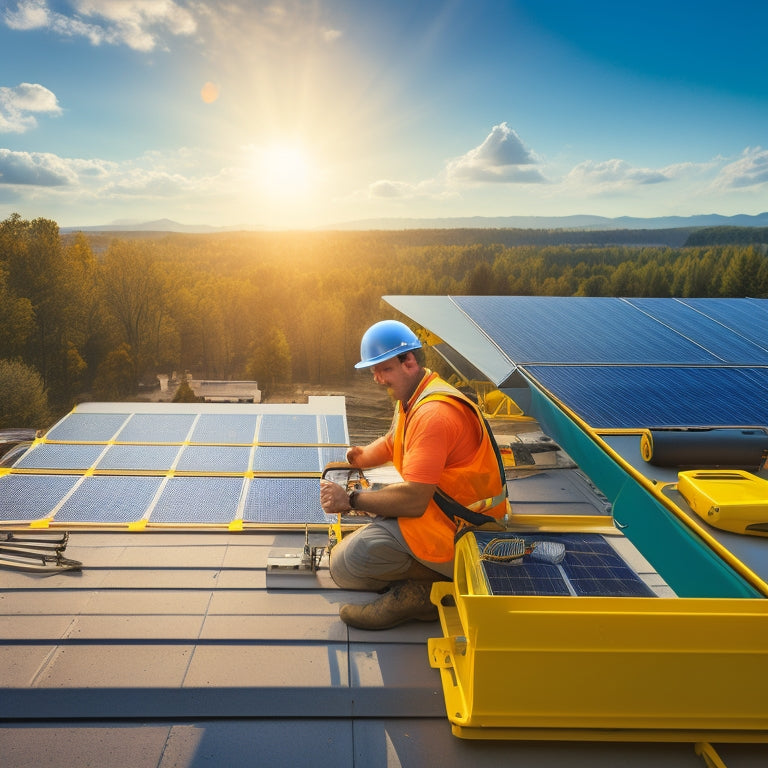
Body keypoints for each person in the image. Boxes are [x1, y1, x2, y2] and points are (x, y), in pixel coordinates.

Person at [319, 319, 508, 630]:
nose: (377, 379)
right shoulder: (417, 395)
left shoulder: (433, 415)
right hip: (443, 515)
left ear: (408, 361)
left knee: (345, 566)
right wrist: (363, 456)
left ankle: (427, 593)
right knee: (349, 554)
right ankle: (424, 580)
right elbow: (397, 440)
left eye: (383, 369)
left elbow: (413, 500)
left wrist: (349, 499)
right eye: (373, 371)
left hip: (464, 533)